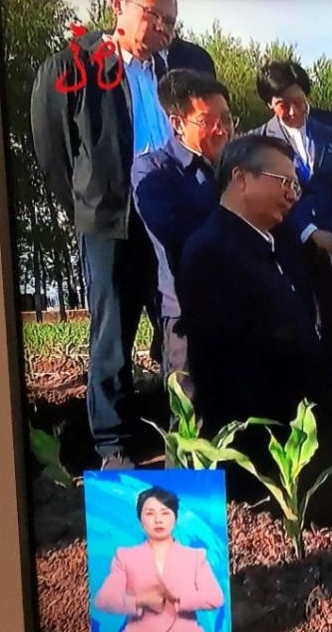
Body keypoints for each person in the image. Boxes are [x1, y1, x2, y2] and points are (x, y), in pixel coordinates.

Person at [30, 0, 180, 470]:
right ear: (118, 5)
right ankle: (114, 448)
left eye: (170, 21)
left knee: (178, 332)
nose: (161, 27)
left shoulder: (172, 75)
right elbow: (52, 152)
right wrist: (89, 204)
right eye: (153, 13)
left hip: (167, 224)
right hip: (110, 224)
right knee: (112, 337)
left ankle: (184, 438)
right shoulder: (74, 67)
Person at [177, 135, 332, 500]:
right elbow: (227, 370)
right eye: (284, 182)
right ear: (241, 177)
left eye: (296, 186)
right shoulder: (212, 252)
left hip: (293, 441)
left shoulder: (268, 244)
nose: (292, 195)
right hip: (261, 454)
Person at [131, 69, 235, 408]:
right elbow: (176, 235)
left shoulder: (236, 169)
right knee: (192, 418)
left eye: (226, 119)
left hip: (240, 309)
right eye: (207, 121)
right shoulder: (153, 171)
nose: (221, 130)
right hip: (187, 316)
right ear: (177, 123)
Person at [249, 60, 332, 370]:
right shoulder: (259, 144)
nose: (294, 111)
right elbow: (271, 197)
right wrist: (309, 232)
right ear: (269, 104)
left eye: (299, 101)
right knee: (299, 325)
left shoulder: (330, 135)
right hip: (290, 248)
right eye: (283, 105)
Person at [93, 486, 224, 631]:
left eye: (165, 513)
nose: (158, 520)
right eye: (150, 513)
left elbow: (215, 598)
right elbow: (103, 600)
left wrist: (179, 597)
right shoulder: (125, 556)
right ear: (140, 521)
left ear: (175, 518)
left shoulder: (195, 557)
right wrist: (140, 600)